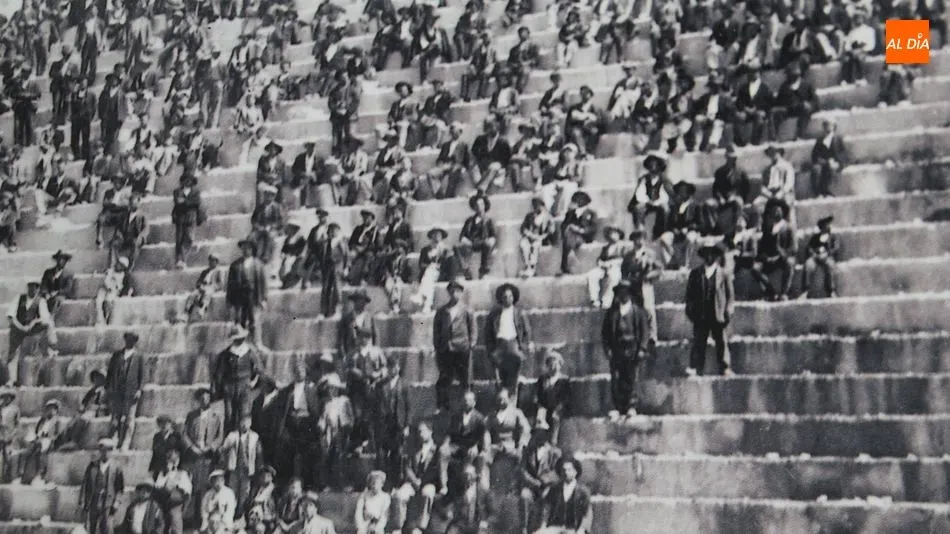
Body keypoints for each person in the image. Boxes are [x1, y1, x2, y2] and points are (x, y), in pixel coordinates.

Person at [601, 281, 651, 418]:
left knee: (632, 377)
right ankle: (618, 407)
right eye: (620, 292)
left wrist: (642, 348)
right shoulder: (612, 313)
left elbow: (645, 332)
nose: (623, 295)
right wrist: (607, 349)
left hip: (632, 349)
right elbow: (605, 334)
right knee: (616, 378)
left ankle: (631, 406)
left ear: (630, 294)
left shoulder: (638, 312)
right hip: (617, 349)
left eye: (626, 292)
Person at [684, 245, 734, 376]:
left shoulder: (724, 273)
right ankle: (695, 367)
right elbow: (689, 295)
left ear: (717, 257)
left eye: (712, 254)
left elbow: (730, 296)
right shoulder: (695, 273)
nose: (709, 257)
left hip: (718, 313)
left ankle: (724, 367)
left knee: (721, 341)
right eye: (707, 254)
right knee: (698, 341)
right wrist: (690, 311)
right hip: (701, 314)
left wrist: (728, 311)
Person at [271, 360, 321, 489]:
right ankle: (289, 482)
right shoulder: (287, 390)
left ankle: (307, 483)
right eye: (297, 371)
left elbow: (316, 409)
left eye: (302, 371)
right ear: (294, 373)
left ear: (305, 373)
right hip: (292, 422)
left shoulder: (312, 389)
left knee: (307, 452)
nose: (300, 373)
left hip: (306, 423)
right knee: (289, 451)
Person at [433, 279, 477, 412]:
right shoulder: (442, 311)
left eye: (457, 292)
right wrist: (438, 346)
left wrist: (471, 343)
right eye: (452, 292)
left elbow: (473, 328)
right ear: (449, 293)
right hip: (446, 349)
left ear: (461, 293)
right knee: (444, 378)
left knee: (466, 379)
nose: (454, 294)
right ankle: (442, 406)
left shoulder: (467, 310)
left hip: (462, 348)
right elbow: (436, 330)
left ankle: (468, 406)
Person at [183, 387, 224, 524]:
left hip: (208, 457)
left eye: (207, 398)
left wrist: (210, 447)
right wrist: (192, 447)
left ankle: (204, 518)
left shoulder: (216, 417)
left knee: (205, 486)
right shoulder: (191, 416)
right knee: (194, 486)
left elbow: (219, 436)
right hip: (194, 456)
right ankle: (192, 517)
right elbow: (184, 434)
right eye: (201, 398)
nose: (204, 400)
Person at [213, 324, 265, 433]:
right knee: (229, 415)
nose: (239, 340)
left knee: (244, 414)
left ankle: (243, 439)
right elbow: (219, 373)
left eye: (240, 338)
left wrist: (253, 382)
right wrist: (220, 388)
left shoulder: (250, 352)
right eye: (236, 339)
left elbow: (259, 370)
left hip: (244, 386)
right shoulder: (226, 354)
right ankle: (229, 438)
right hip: (229, 387)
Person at [484, 283, 533, 395]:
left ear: (514, 297)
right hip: (499, 345)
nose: (508, 299)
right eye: (505, 297)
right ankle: (502, 399)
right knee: (498, 376)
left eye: (510, 296)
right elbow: (488, 333)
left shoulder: (519, 313)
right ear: (501, 298)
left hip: (513, 344)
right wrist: (491, 350)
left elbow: (527, 331)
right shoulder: (494, 314)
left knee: (514, 375)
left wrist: (524, 346)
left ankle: (513, 397)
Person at [397, 421, 445, 532]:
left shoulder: (437, 450)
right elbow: (407, 468)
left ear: (430, 432)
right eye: (419, 432)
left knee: (427, 493)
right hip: (413, 482)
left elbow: (439, 470)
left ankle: (419, 527)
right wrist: (414, 480)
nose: (421, 434)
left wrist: (441, 485)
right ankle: (398, 525)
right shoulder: (414, 449)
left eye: (423, 431)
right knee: (400, 495)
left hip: (429, 483)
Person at [5, 281, 55, 386]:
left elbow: (45, 318)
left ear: (38, 289)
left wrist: (34, 322)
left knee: (44, 334)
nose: (32, 289)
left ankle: (40, 379)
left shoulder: (40, 301)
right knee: (13, 353)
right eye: (30, 286)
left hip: (33, 331)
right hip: (18, 329)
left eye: (35, 287)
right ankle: (12, 380)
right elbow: (11, 316)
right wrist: (21, 327)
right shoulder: (19, 298)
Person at [371, 354, 410, 483]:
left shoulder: (404, 384)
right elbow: (375, 406)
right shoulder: (380, 385)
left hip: (397, 425)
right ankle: (381, 482)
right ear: (387, 368)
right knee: (381, 454)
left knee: (396, 454)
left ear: (399, 367)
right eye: (391, 366)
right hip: (384, 425)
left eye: (395, 366)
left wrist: (406, 426)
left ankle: (395, 482)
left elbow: (408, 407)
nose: (393, 369)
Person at [519, 424, 562, 533]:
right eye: (536, 432)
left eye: (542, 432)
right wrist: (534, 483)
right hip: (532, 486)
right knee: (524, 495)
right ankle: (524, 528)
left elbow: (557, 472)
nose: (539, 435)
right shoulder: (528, 451)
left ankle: (543, 527)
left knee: (546, 496)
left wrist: (545, 483)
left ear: (547, 435)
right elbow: (523, 471)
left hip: (547, 487)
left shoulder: (554, 452)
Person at [105, 331, 145, 451]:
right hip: (117, 390)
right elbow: (110, 373)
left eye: (133, 339)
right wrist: (108, 388)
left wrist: (139, 390)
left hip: (131, 391)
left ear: (135, 341)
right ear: (125, 340)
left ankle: (126, 442)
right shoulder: (117, 355)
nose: (130, 341)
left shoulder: (139, 356)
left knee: (129, 418)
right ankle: (114, 439)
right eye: (128, 339)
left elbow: (142, 376)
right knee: (115, 417)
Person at [226, 240, 269, 348]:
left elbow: (263, 283)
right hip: (239, 297)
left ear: (252, 249)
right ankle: (241, 344)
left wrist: (264, 299)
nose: (246, 250)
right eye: (244, 248)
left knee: (254, 320)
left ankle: (256, 343)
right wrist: (229, 300)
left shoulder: (258, 264)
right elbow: (230, 284)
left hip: (254, 296)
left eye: (248, 248)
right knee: (240, 320)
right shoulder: (235, 265)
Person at [79, 438, 126, 534]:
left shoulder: (116, 467)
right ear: (100, 451)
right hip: (93, 501)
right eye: (103, 450)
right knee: (91, 527)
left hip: (108, 503)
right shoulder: (92, 466)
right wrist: (82, 501)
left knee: (106, 528)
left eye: (109, 450)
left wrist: (117, 501)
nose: (106, 453)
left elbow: (120, 488)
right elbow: (85, 484)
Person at [317, 373, 354, 491]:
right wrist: (322, 427)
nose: (331, 391)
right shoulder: (327, 403)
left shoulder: (344, 401)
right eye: (329, 388)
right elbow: (323, 418)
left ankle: (343, 483)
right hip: (330, 432)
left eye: (334, 388)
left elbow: (350, 418)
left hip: (342, 431)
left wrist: (346, 428)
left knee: (341, 457)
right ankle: (329, 483)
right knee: (329, 457)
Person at [220, 414, 262, 515]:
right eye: (242, 422)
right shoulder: (232, 435)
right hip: (235, 468)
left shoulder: (254, 436)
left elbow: (259, 452)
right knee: (232, 490)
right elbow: (223, 449)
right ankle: (231, 513)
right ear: (239, 423)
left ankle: (241, 513)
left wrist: (257, 467)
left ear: (250, 424)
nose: (244, 425)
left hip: (247, 469)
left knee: (245, 492)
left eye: (247, 422)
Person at [539, 457, 592, 533]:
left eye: (569, 470)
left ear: (575, 472)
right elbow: (546, 509)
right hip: (555, 527)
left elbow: (586, 513)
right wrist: (543, 526)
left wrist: (582, 529)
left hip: (574, 529)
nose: (566, 472)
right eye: (564, 470)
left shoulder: (583, 492)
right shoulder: (554, 489)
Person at [18, 398, 63, 485]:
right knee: (27, 451)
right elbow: (36, 431)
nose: (51, 410)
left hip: (49, 440)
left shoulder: (56, 421)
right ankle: (23, 475)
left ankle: (41, 474)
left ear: (56, 410)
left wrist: (49, 438)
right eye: (49, 408)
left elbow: (58, 434)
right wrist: (36, 437)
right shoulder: (42, 420)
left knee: (42, 453)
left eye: (53, 408)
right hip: (39, 440)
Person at [445, 463, 495, 534]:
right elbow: (451, 506)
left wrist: (485, 522)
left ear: (475, 476)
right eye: (465, 475)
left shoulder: (483, 492)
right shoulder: (458, 490)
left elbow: (493, 514)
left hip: (477, 526)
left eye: (470, 475)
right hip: (461, 525)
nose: (468, 478)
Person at [457, 192, 497, 280]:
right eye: (477, 205)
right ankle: (466, 271)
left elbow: (493, 235)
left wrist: (491, 241)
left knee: (487, 245)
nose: (479, 207)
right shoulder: (469, 220)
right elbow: (462, 236)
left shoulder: (489, 220)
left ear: (485, 206)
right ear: (474, 207)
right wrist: (466, 241)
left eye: (481, 204)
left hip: (483, 242)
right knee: (456, 248)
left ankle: (483, 272)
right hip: (471, 243)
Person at [587, 226, 628, 309]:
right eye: (610, 233)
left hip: (616, 267)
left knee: (613, 276)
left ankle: (607, 301)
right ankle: (594, 299)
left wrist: (611, 263)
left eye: (615, 233)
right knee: (592, 274)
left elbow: (624, 259)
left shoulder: (622, 247)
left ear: (619, 235)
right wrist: (601, 263)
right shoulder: (606, 247)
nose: (612, 235)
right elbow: (600, 259)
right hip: (604, 267)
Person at [154, 448, 193, 534]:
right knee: (160, 525)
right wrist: (166, 476)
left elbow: (187, 491)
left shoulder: (182, 474)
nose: (172, 462)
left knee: (175, 525)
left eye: (174, 460)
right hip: (163, 503)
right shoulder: (162, 474)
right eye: (169, 460)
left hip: (175, 504)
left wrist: (176, 486)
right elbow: (157, 486)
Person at [518, 197, 557, 278]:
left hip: (542, 239)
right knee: (524, 244)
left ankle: (533, 267)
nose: (537, 207)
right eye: (535, 205)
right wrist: (529, 234)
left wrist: (540, 237)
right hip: (530, 237)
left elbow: (551, 232)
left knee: (535, 245)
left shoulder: (548, 218)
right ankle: (527, 266)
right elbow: (523, 228)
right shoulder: (529, 216)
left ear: (543, 206)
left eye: (538, 205)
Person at [172, 173, 206, 268]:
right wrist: (189, 202)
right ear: (182, 181)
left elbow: (197, 201)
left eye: (189, 180)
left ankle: (184, 256)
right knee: (179, 240)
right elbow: (177, 201)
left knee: (190, 238)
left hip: (191, 217)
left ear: (192, 182)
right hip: (180, 217)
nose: (187, 182)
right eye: (185, 180)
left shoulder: (196, 191)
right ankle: (180, 260)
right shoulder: (177, 191)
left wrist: (184, 201)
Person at [560, 192, 597, 275]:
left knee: (569, 239)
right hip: (570, 237)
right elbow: (563, 225)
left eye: (575, 201)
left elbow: (593, 228)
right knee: (568, 235)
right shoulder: (570, 213)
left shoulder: (591, 213)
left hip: (583, 237)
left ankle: (567, 262)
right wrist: (569, 227)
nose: (573, 203)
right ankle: (570, 256)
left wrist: (580, 230)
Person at [803, 215, 840, 299]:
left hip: (827, 257)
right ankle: (806, 290)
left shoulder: (833, 237)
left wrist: (827, 254)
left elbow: (836, 248)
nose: (828, 226)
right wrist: (815, 255)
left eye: (829, 224)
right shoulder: (815, 237)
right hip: (815, 257)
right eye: (826, 224)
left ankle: (831, 291)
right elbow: (809, 248)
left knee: (830, 266)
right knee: (808, 265)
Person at [810, 119, 847, 198]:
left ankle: (827, 192)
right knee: (816, 170)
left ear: (834, 126)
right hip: (823, 163)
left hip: (835, 163)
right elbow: (814, 155)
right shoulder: (820, 140)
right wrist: (824, 161)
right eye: (825, 125)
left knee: (830, 169)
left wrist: (839, 163)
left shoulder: (838, 139)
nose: (827, 127)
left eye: (830, 125)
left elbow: (843, 154)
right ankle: (818, 193)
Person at [183, 255, 226, 321]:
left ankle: (203, 309)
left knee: (208, 293)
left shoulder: (219, 271)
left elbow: (221, 284)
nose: (210, 262)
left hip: (211, 287)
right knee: (192, 294)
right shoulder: (205, 271)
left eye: (212, 260)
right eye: (210, 260)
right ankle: (186, 313)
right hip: (202, 287)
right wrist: (200, 286)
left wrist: (212, 287)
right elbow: (198, 282)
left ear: (216, 262)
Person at [40, 250, 76, 314]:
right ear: (56, 260)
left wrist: (57, 292)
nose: (62, 262)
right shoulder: (48, 272)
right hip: (48, 295)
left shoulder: (69, 274)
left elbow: (68, 289)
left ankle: (51, 317)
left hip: (60, 295)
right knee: (40, 301)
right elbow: (43, 285)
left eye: (65, 260)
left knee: (57, 301)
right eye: (60, 259)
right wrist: (46, 293)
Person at [149, 415, 184, 479]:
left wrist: (178, 466)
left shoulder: (176, 436)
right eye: (161, 423)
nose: (164, 426)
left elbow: (180, 451)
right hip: (159, 466)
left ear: (170, 424)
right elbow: (155, 453)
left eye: (166, 423)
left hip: (172, 465)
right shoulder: (157, 436)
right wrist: (151, 468)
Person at [0, 389, 19, 483]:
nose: (6, 399)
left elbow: (17, 424)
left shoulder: (15, 409)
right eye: (4, 397)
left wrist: (13, 435)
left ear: (11, 398)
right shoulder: (0, 408)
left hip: (9, 435)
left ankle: (7, 478)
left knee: (8, 457)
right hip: (1, 434)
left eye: (8, 397)